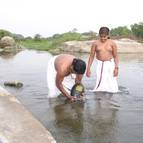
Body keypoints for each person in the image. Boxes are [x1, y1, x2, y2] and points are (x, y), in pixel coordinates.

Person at [86, 27, 119, 93]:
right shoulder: (95, 43)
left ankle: (112, 93)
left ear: (108, 35)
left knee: (112, 80)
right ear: (99, 35)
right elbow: (91, 56)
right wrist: (88, 68)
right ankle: (100, 94)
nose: (103, 38)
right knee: (100, 81)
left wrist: (116, 68)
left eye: (105, 37)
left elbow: (115, 56)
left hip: (110, 64)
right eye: (101, 36)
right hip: (100, 64)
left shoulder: (112, 43)